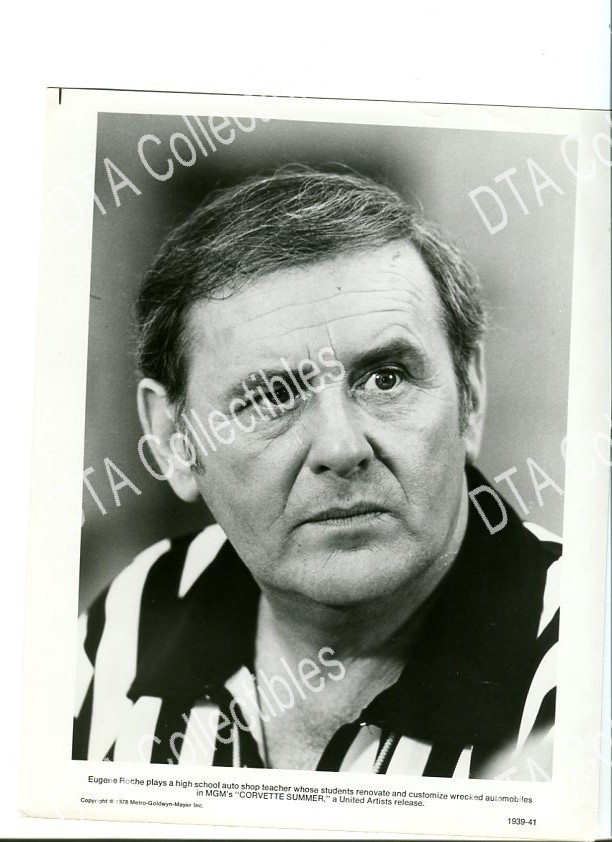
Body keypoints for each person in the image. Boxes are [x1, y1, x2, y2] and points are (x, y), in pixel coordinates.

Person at [73, 166, 561, 778]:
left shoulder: (582, 668)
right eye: (272, 396)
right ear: (174, 441)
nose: (341, 446)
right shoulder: (132, 617)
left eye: (386, 378)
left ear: (471, 395)